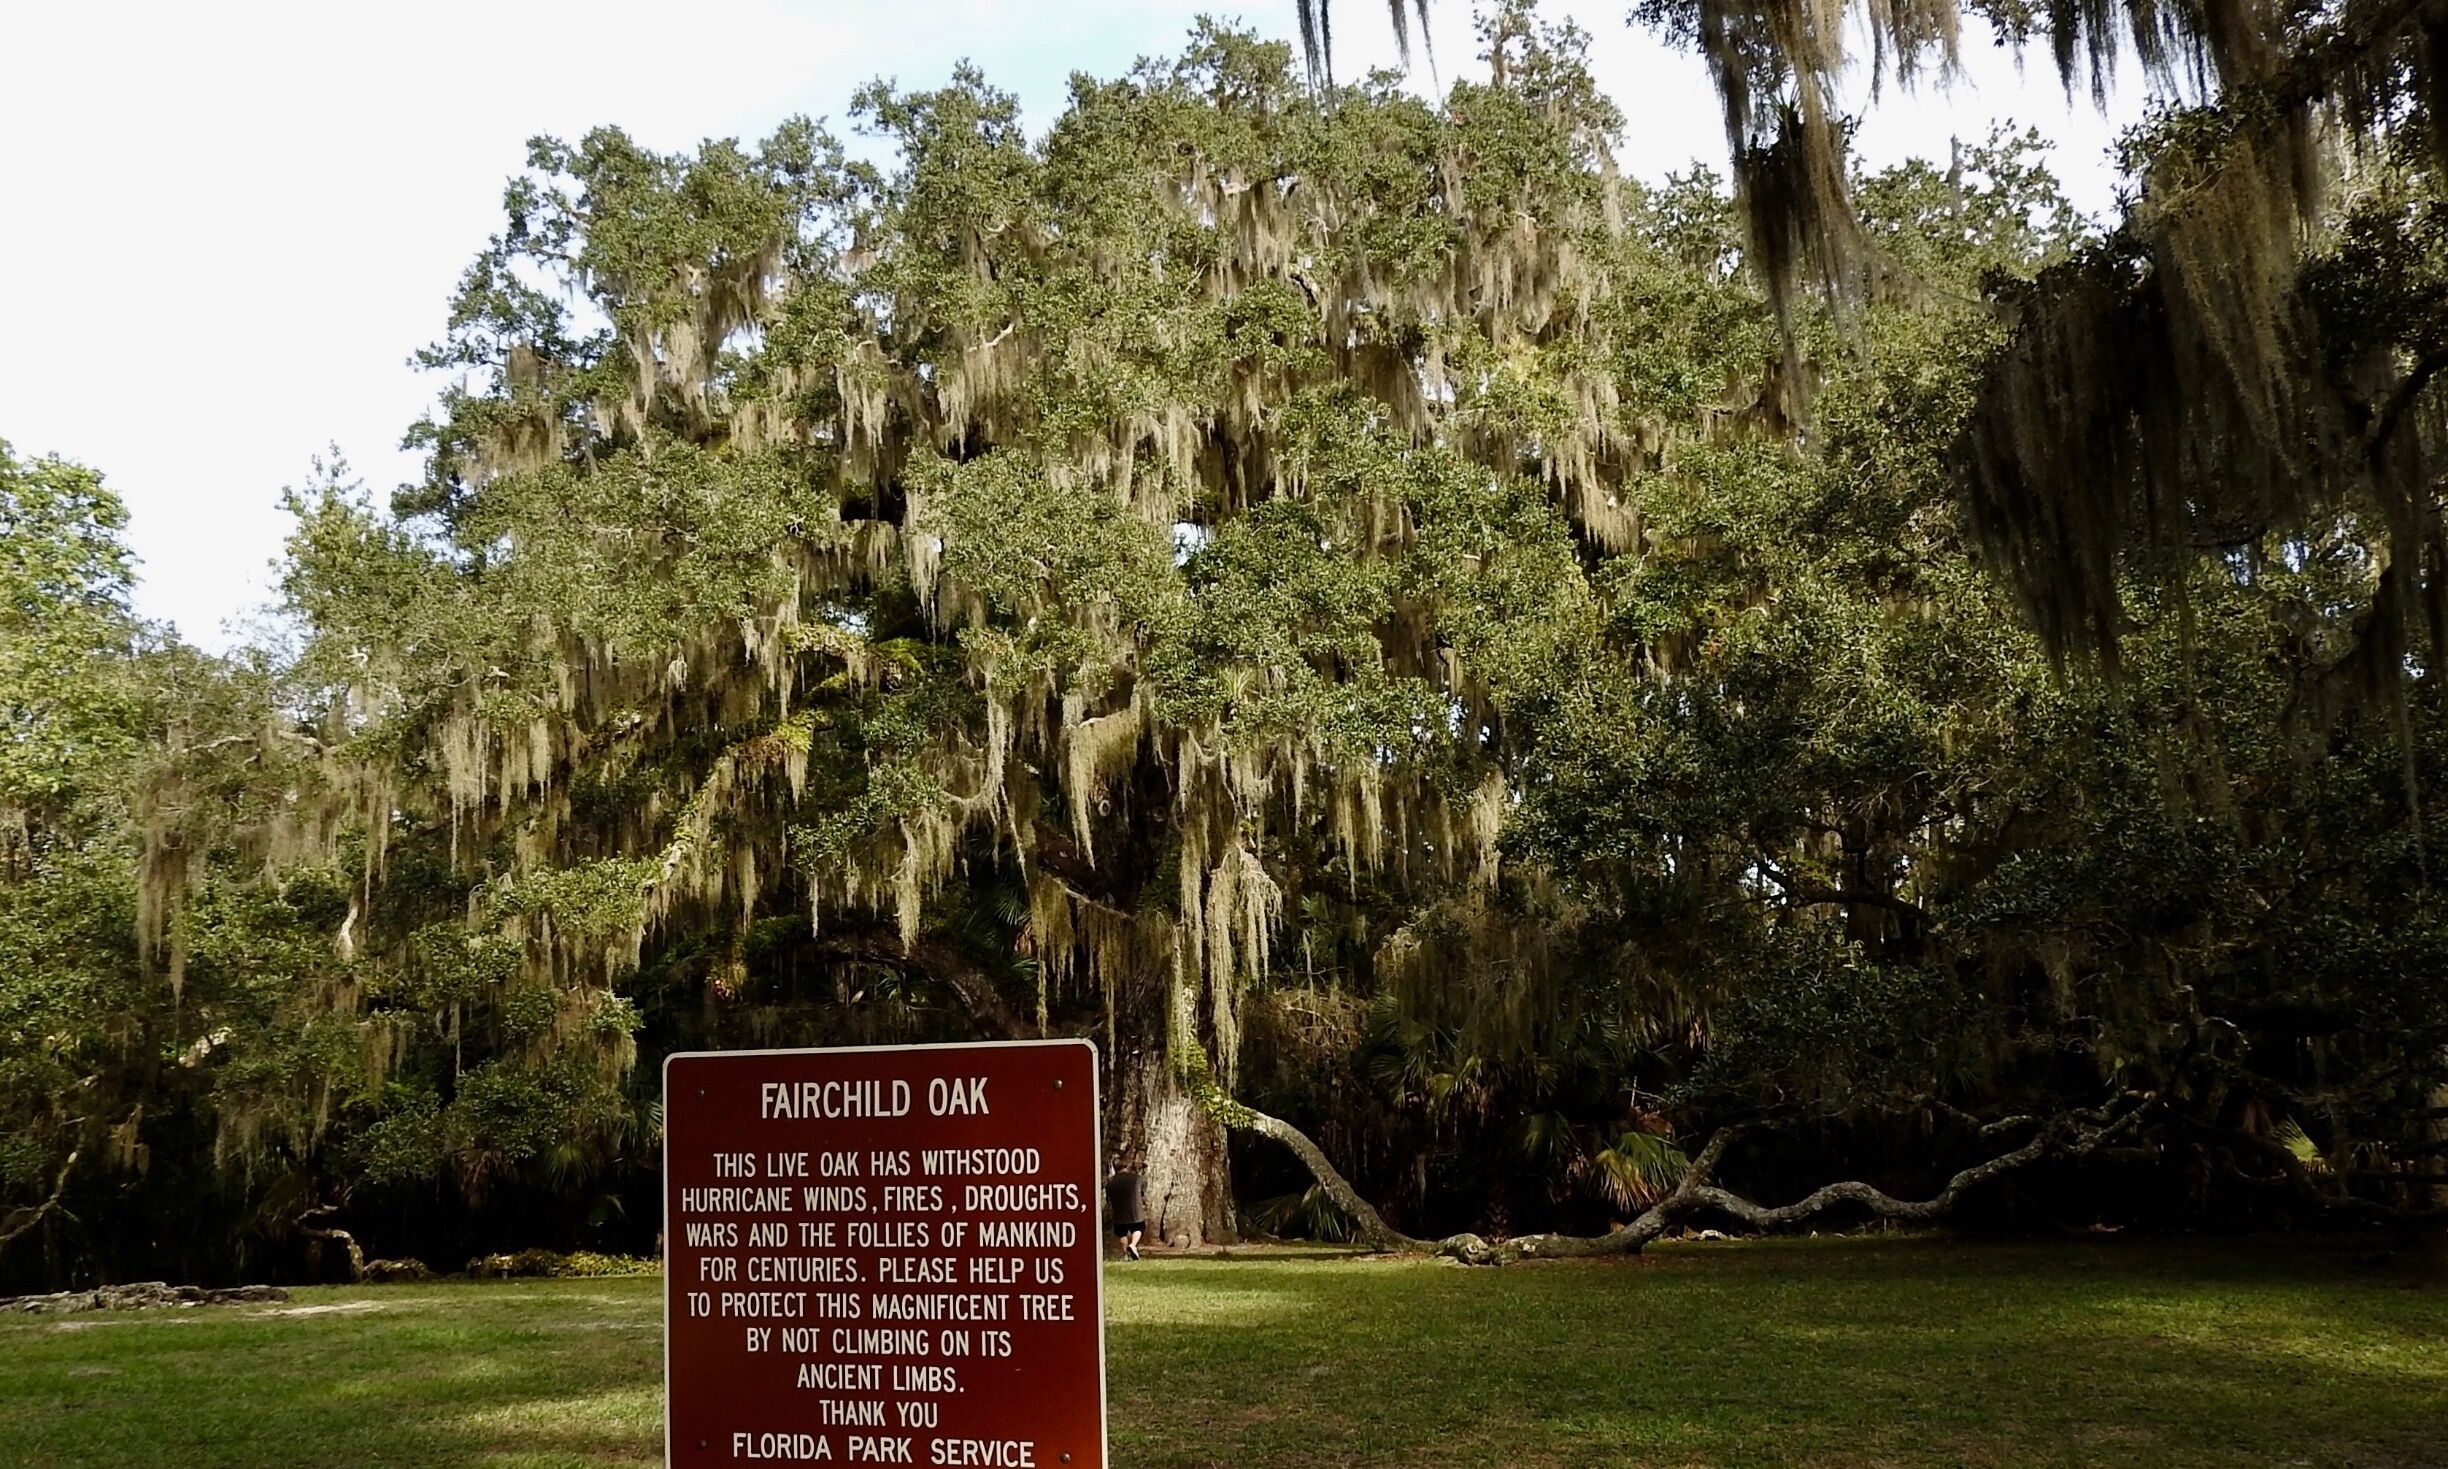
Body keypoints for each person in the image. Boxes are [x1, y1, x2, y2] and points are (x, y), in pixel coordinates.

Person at [1105, 1159, 1145, 1261]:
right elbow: (1143, 1188)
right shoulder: (1136, 1178)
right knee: (1138, 1228)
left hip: (1119, 1211)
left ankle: (1125, 1254)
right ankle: (1133, 1245)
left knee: (1122, 1233)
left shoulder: (1111, 1182)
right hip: (1135, 1210)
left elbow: (1108, 1195)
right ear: (1126, 1167)